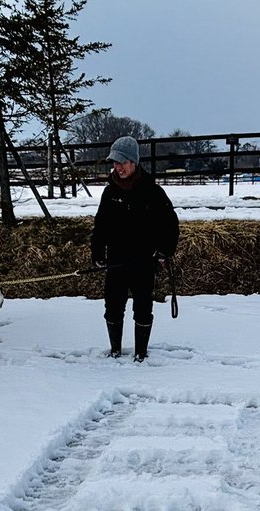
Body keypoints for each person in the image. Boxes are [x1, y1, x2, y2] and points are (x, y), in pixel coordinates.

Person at [90, 135, 179, 361]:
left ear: (133, 162)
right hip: (117, 262)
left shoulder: (152, 192)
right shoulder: (110, 193)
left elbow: (170, 225)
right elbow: (100, 226)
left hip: (143, 262)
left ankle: (141, 352)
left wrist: (164, 251)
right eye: (115, 162)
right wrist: (98, 252)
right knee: (113, 306)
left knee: (142, 307)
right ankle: (115, 349)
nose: (117, 167)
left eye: (122, 162)